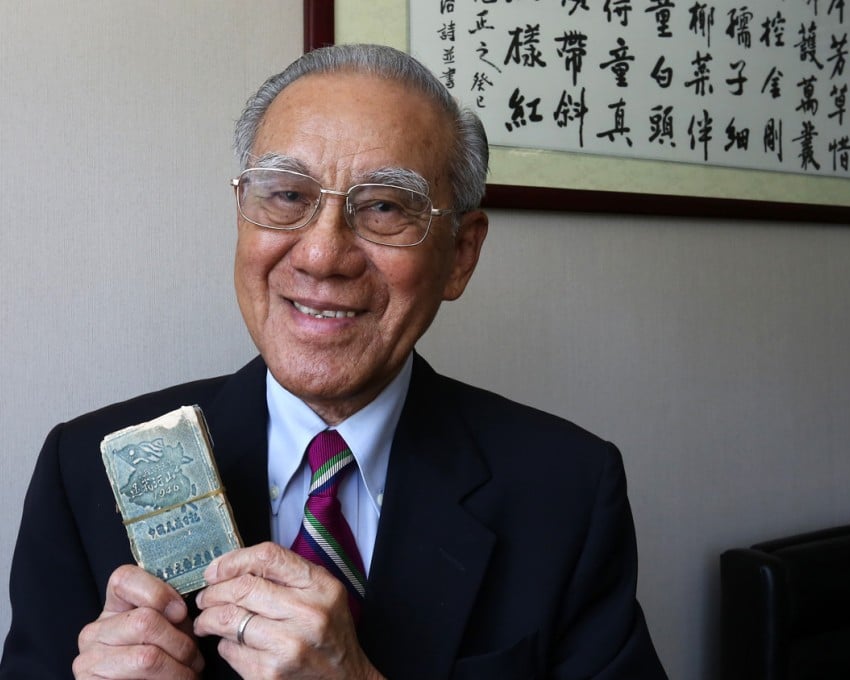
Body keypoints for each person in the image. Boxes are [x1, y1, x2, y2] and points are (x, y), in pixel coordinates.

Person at [0, 44, 667, 679]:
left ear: (461, 254)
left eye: (383, 207)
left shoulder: (566, 490)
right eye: (286, 196)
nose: (321, 256)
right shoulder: (82, 467)